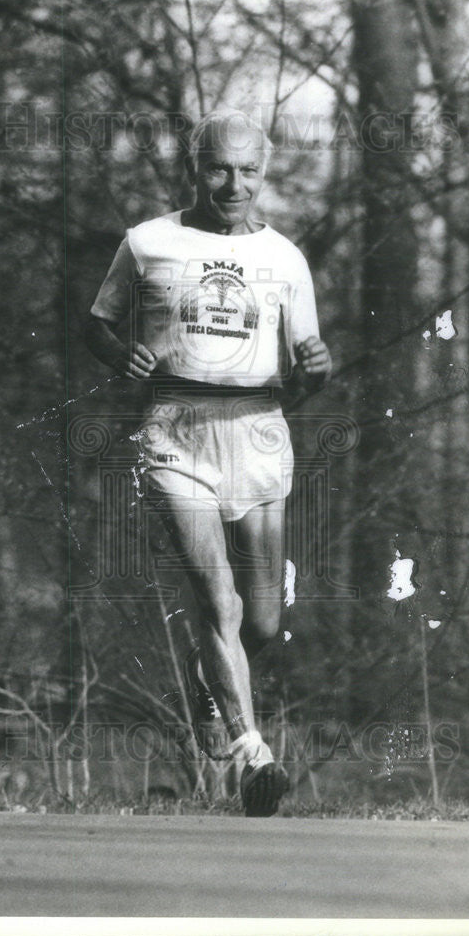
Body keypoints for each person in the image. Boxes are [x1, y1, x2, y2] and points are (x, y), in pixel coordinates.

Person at [86, 110, 331, 816]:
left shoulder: (286, 259)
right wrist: (117, 353)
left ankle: (207, 687)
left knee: (259, 623)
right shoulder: (147, 243)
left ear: (265, 172)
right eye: (219, 168)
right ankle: (254, 755)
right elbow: (95, 321)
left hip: (257, 434)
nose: (233, 184)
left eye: (248, 170)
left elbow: (306, 373)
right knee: (215, 600)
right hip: (175, 433)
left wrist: (319, 366)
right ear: (195, 168)